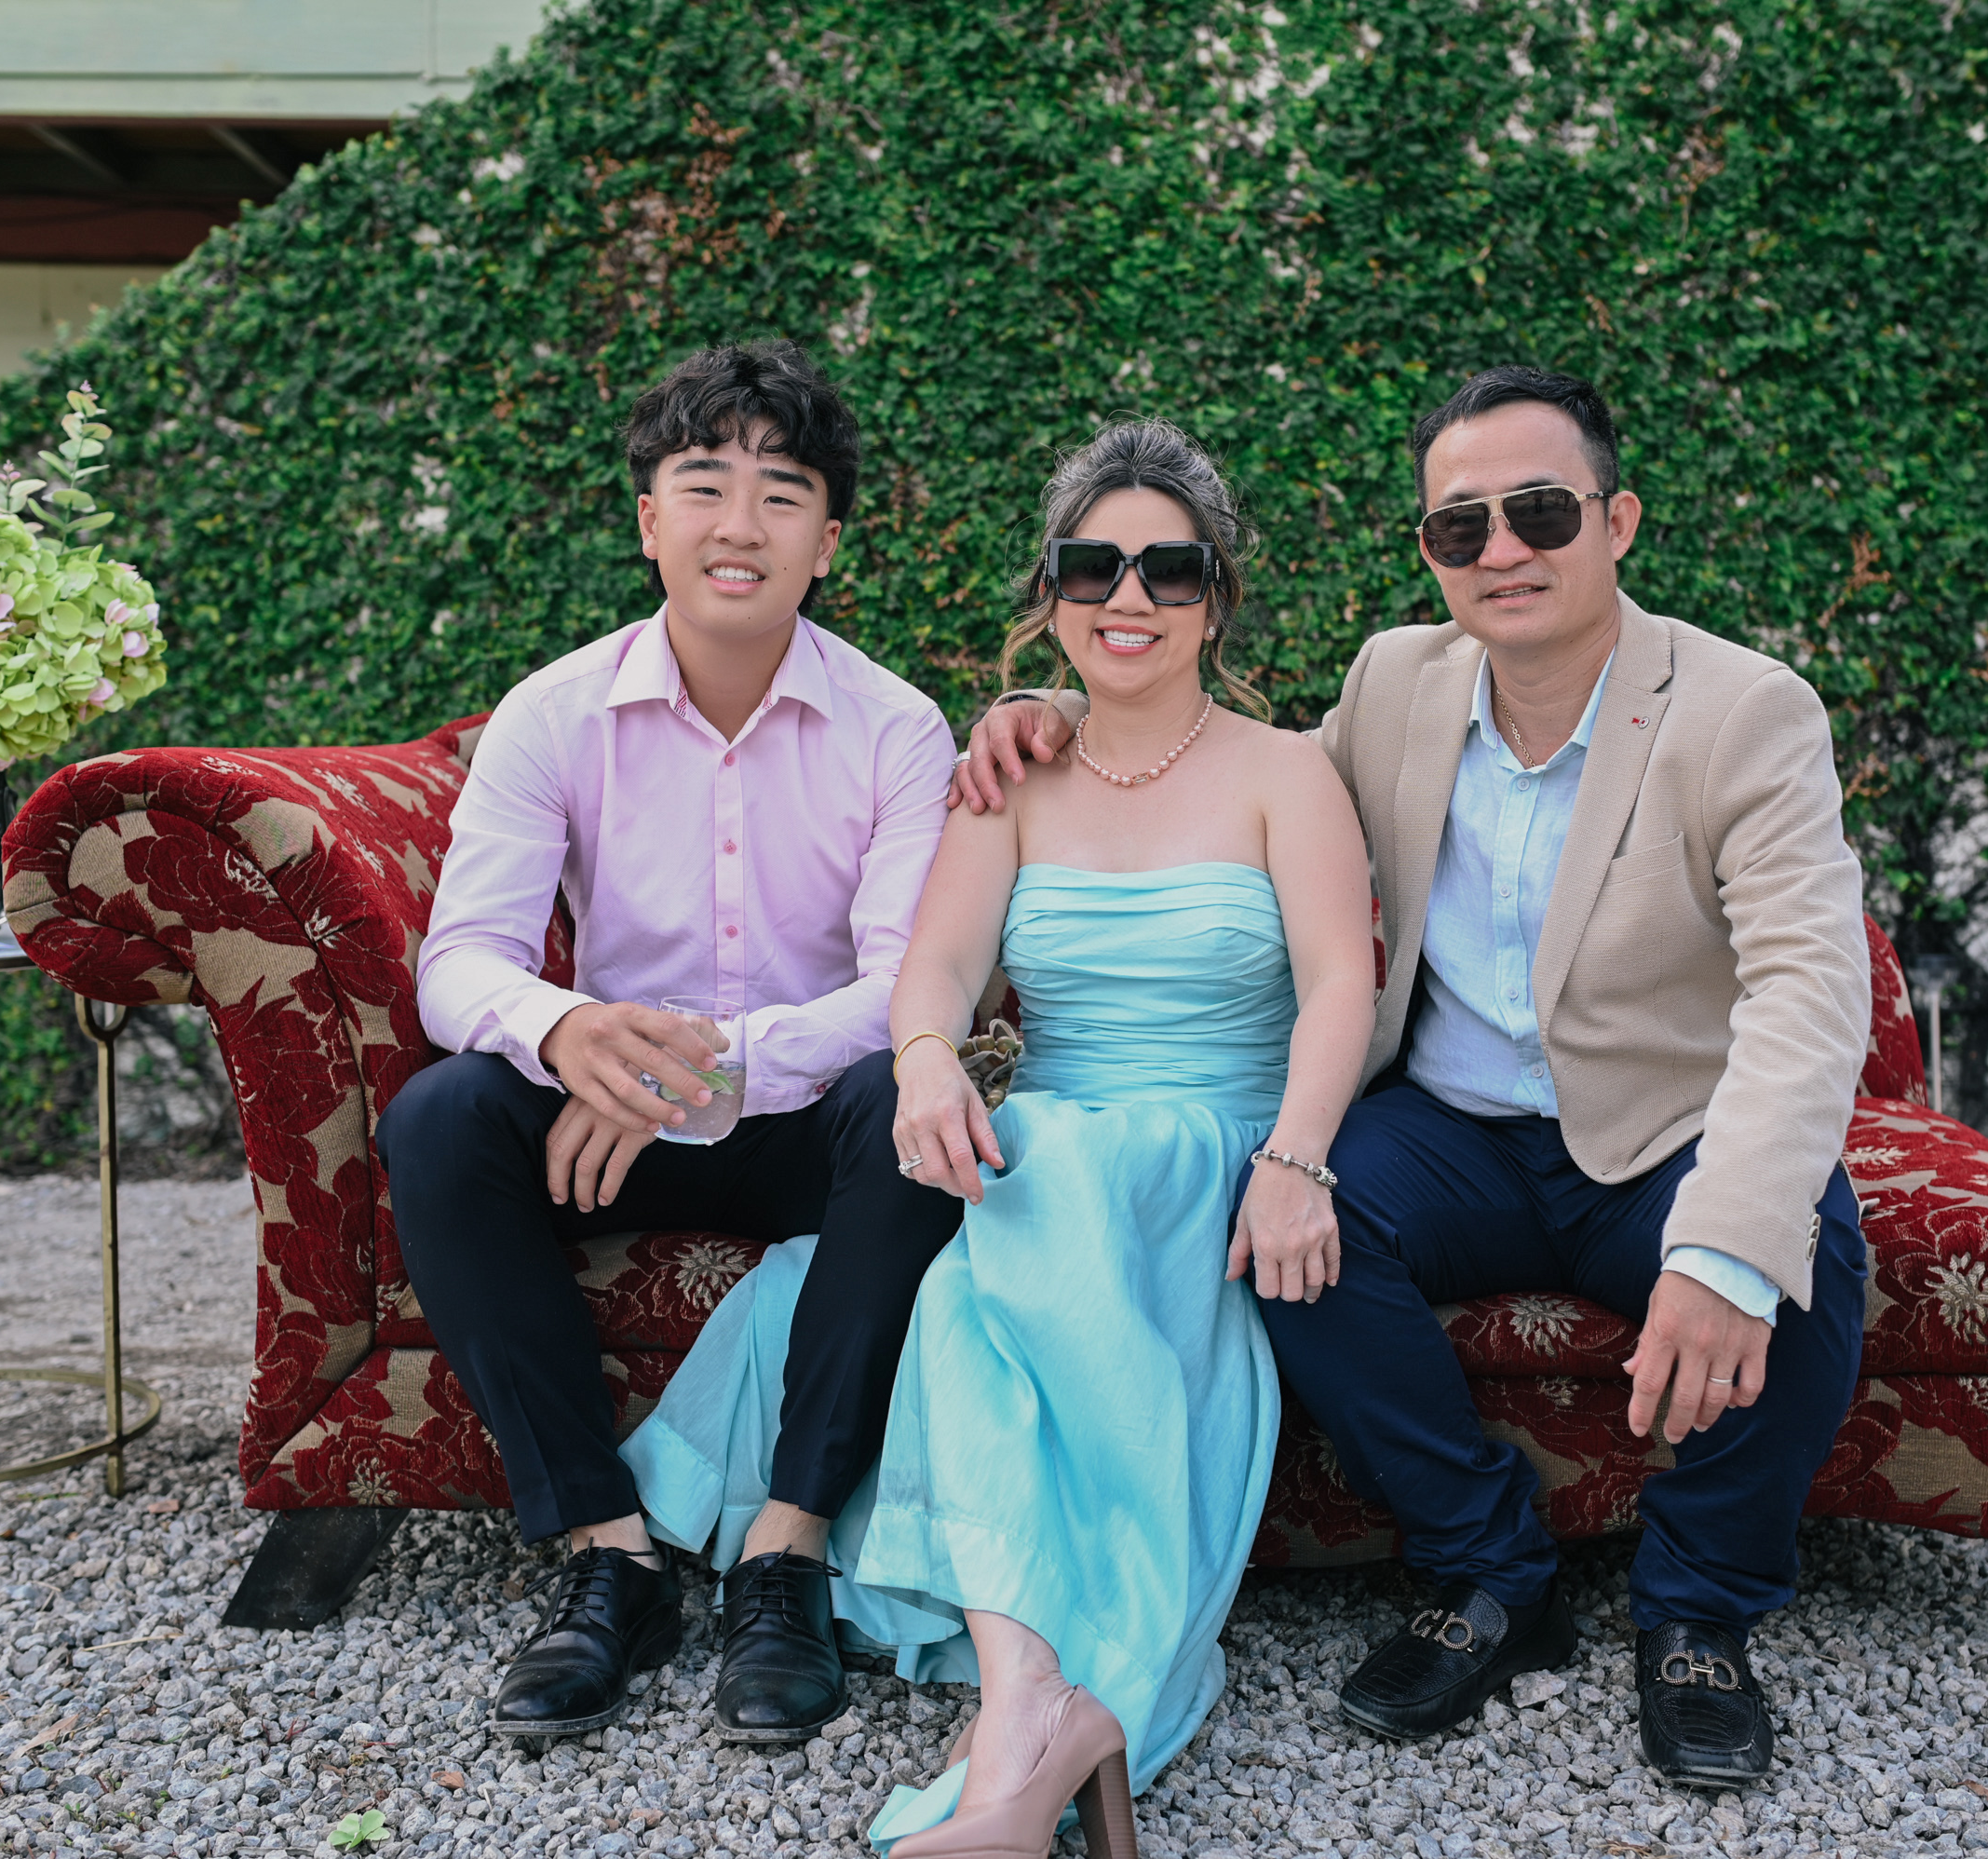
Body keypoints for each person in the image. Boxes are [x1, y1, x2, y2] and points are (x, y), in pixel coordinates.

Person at [956, 364, 1872, 1789]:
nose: (1502, 549)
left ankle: (1698, 1609)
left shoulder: (1744, 712)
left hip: (1660, 1132)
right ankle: (1492, 1571)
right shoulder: (1396, 684)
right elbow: (1216, 778)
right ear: (1430, 550)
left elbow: (1812, 988)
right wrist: (1059, 710)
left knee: (1801, 1253)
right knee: (1286, 1230)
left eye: (1541, 512)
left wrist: (1726, 1249)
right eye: (1462, 525)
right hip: (1453, 1129)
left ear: (1617, 520)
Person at [624, 419, 1374, 1857]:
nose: (1129, 597)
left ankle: (1024, 1728)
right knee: (981, 1227)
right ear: (1052, 588)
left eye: (1169, 569)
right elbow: (939, 970)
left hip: (1200, 1150)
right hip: (1050, 1148)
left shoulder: (1287, 773)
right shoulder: (1011, 774)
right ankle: (1031, 1713)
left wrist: (1294, 1161)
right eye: (1094, 566)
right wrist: (922, 1064)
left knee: (1028, 1197)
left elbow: (1345, 981)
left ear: (1217, 596)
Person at [375, 340, 966, 1746]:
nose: (738, 524)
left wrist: (689, 1069)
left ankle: (785, 1554)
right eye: (704, 485)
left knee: (909, 1107)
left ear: (827, 542)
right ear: (650, 521)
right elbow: (462, 963)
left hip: (798, 1123)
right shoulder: (553, 713)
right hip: (611, 1130)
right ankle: (608, 1554)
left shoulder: (897, 729)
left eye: (781, 493)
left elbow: (907, 987)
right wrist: (572, 1030)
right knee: (442, 1120)